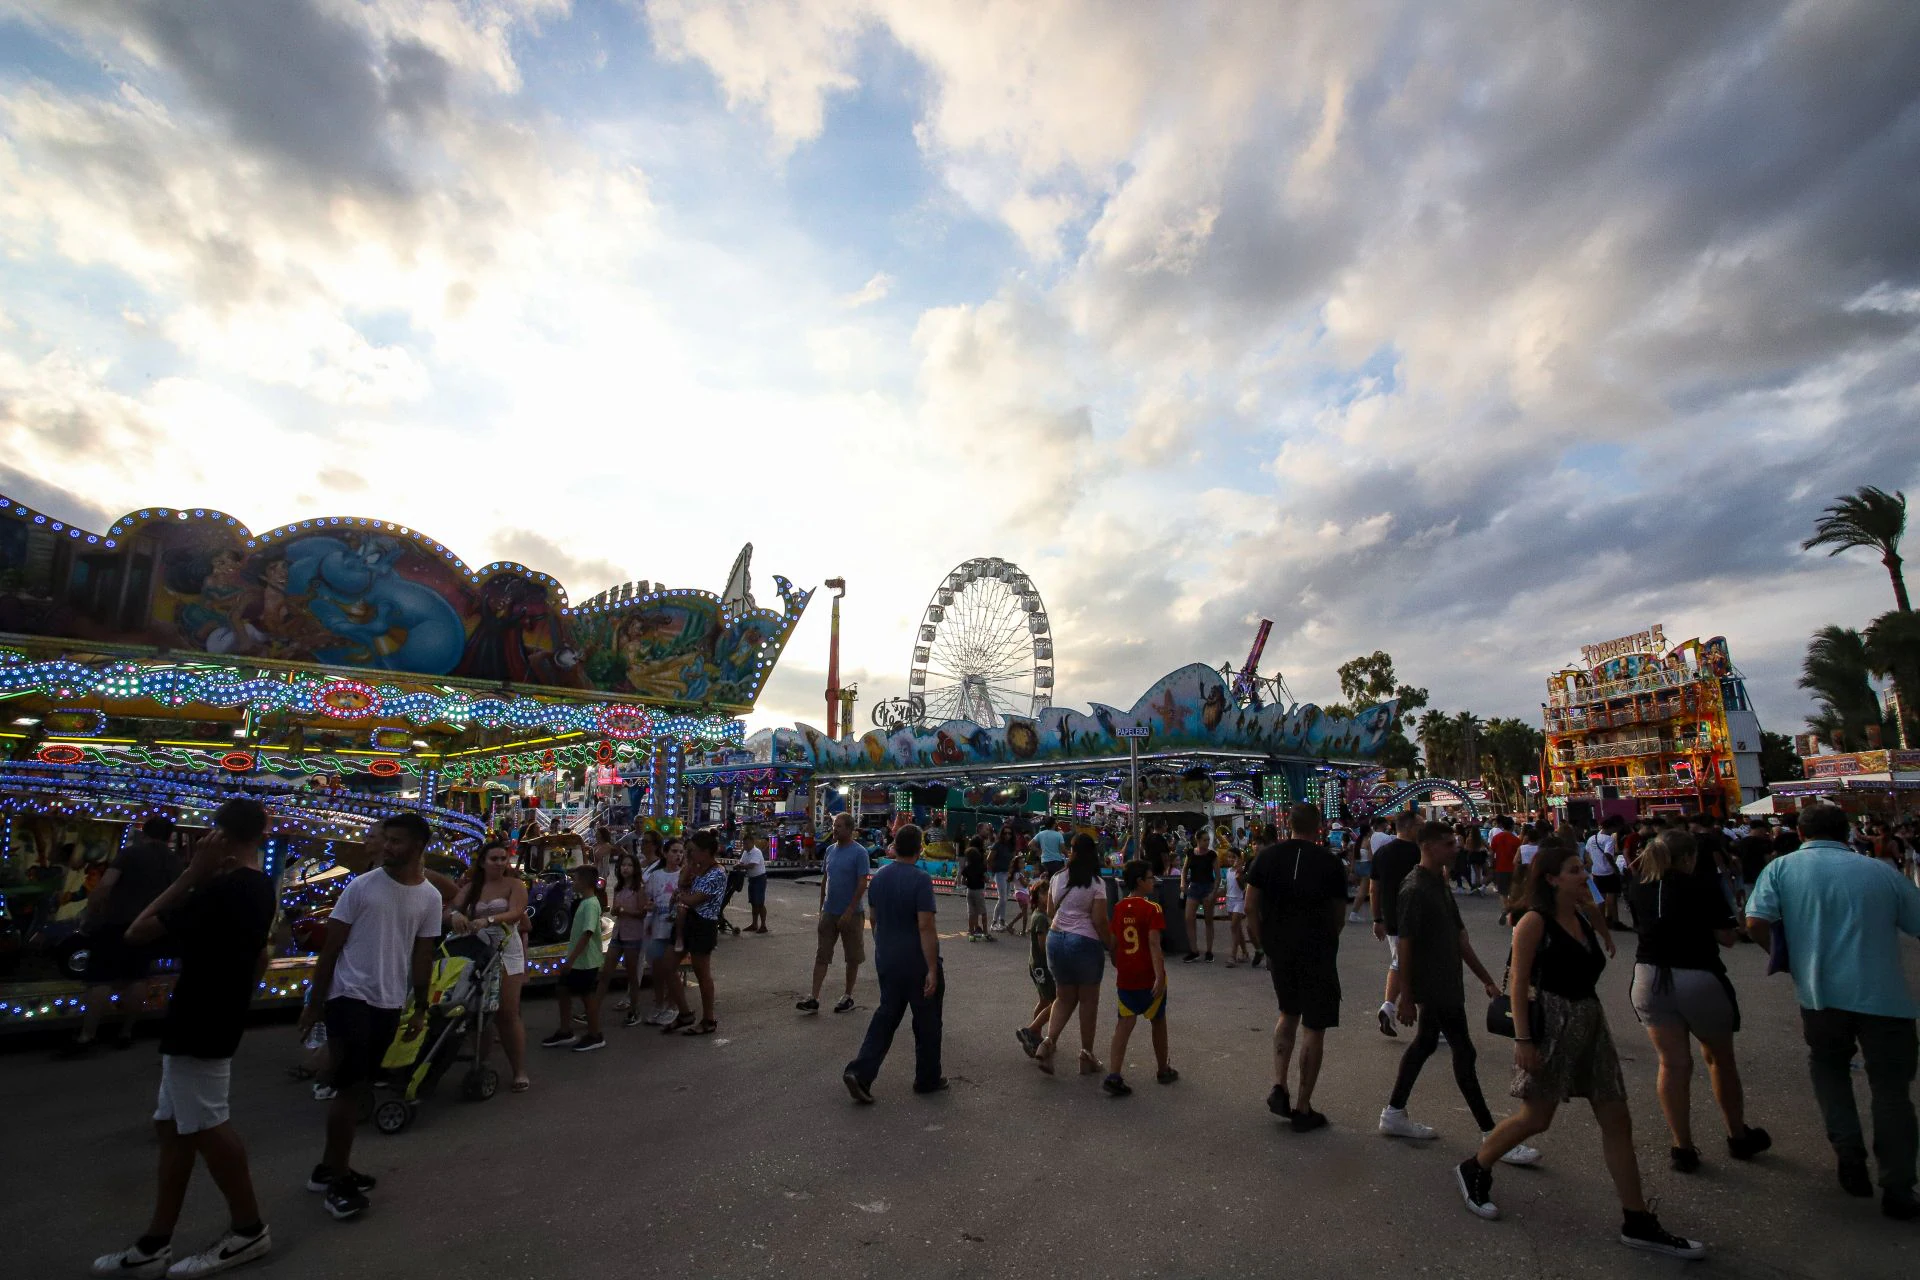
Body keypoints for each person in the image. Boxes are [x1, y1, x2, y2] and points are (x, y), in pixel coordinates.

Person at [1459, 840, 1704, 1258]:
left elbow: (1596, 929)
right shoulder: (1533, 922)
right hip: (1551, 1025)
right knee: (1537, 1117)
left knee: (1616, 1117)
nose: (1585, 875)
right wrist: (1523, 1039)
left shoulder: (1580, 915)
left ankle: (1637, 1218)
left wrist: (1603, 930)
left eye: (1583, 868)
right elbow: (1518, 983)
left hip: (1590, 1023)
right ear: (1551, 878)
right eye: (1575, 870)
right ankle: (1475, 1167)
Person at [89, 800, 275, 1280]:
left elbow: (138, 930)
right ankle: (156, 1241)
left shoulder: (222, 889)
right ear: (264, 831)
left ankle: (249, 1228)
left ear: (214, 837)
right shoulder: (257, 888)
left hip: (201, 1015)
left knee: (208, 1123)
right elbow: (260, 959)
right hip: (212, 1010)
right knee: (174, 1127)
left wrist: (191, 874)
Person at [1745, 800, 1920, 1220]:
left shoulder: (1782, 869)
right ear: (1847, 834)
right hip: (1885, 998)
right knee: (1892, 1092)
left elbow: (1754, 921)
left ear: (1801, 834)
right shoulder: (1880, 871)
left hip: (1819, 995)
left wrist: (1786, 960)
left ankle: (1848, 1150)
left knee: (1828, 1068)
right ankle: (1898, 1186)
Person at [299, 814, 442, 1222]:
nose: (387, 847)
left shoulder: (429, 897)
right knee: (351, 1087)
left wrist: (420, 1005)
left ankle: (329, 1167)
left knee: (358, 1085)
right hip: (350, 995)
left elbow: (423, 953)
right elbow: (331, 949)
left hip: (389, 1000)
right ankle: (337, 1183)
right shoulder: (361, 887)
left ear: (418, 847)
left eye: (397, 842)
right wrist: (316, 1002)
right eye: (387, 840)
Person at [1380, 822, 1541, 1167]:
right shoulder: (1414, 889)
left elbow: (1459, 938)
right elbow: (1404, 947)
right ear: (1428, 846)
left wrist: (1485, 979)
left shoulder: (1437, 881)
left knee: (1424, 1045)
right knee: (1463, 1053)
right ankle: (1492, 1135)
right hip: (1435, 987)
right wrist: (1405, 996)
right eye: (1448, 844)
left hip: (1447, 982)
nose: (1457, 848)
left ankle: (1394, 1112)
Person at [1624, 831, 1769, 1173]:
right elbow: (1727, 937)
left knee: (1671, 1064)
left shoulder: (1639, 886)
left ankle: (1683, 1146)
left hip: (1649, 977)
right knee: (1719, 1059)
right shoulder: (1700, 885)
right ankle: (1737, 1135)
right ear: (1688, 858)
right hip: (1697, 975)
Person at [1244, 804, 1348, 1132]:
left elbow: (1250, 905)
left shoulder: (1266, 858)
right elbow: (1338, 913)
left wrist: (1262, 943)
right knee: (1314, 1027)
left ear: (1288, 824)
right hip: (1317, 951)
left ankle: (1279, 1084)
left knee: (1288, 1012)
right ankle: (1303, 1107)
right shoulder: (1330, 863)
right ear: (1318, 827)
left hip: (1280, 950)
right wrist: (1328, 938)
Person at [62, 816, 181, 1057]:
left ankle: (87, 1036)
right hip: (149, 926)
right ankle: (126, 1032)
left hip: (116, 922)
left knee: (100, 978)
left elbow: (105, 886)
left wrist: (91, 914)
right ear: (169, 837)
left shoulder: (130, 854)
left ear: (144, 832)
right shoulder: (175, 861)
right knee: (137, 977)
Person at [843, 824, 944, 1101]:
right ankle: (927, 1078)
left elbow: (873, 919)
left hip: (888, 959)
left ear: (894, 846)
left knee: (886, 1016)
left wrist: (883, 947)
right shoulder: (921, 880)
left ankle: (861, 1072)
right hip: (916, 961)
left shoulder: (880, 877)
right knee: (927, 1021)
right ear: (920, 847)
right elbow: (925, 926)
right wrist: (932, 969)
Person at [449, 840, 530, 1092]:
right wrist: (456, 916)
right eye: (493, 858)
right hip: (477, 951)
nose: (498, 863)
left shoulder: (514, 885)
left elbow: (517, 912)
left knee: (507, 1012)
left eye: (502, 859)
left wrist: (489, 919)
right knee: (477, 1012)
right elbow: (450, 909)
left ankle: (518, 1070)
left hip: (506, 951)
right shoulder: (472, 888)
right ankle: (480, 1063)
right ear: (483, 861)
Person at [1034, 834, 1112, 1076]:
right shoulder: (1097, 883)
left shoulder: (1057, 877)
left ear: (1072, 852)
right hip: (1084, 942)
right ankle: (1086, 1055)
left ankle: (1048, 1043)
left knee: (1064, 997)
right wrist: (1111, 945)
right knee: (1088, 1001)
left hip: (1056, 940)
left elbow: (1049, 910)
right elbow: (1099, 920)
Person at [1104, 860, 1176, 1096]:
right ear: (1139, 881)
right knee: (1158, 1020)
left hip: (1126, 977)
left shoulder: (1119, 908)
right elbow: (1154, 944)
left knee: (1124, 1023)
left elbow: (1113, 944)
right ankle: (1163, 1069)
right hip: (1148, 976)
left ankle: (1114, 1074)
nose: (1153, 882)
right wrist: (1158, 976)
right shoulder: (1152, 909)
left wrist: (1118, 962)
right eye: (1150, 878)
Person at [800, 813, 869, 1015]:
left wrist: (849, 910)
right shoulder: (830, 850)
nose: (835, 829)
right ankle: (814, 997)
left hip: (852, 914)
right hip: (829, 912)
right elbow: (825, 879)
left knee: (852, 956)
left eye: (839, 826)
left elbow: (862, 883)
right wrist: (821, 907)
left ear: (849, 829)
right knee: (822, 954)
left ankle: (847, 996)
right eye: (834, 825)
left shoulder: (860, 853)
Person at [1369, 812, 1422, 1039]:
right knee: (1419, 966)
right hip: (1417, 917)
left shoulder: (1382, 853)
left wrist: (1377, 918)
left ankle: (1388, 1006)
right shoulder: (1419, 852)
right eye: (1420, 825)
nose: (1423, 828)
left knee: (1398, 962)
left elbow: (1374, 888)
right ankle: (1428, 1020)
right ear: (1410, 828)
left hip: (1391, 918)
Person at [541, 865, 605, 1051]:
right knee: (562, 989)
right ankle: (565, 1030)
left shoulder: (591, 904)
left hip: (586, 961)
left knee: (587, 997)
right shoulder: (585, 902)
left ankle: (595, 1034)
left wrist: (571, 960)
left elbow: (587, 933)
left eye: (575, 879)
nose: (573, 883)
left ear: (585, 882)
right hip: (578, 960)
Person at [672, 830, 727, 1035]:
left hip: (703, 924)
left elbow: (692, 899)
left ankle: (708, 1018)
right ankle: (685, 1012)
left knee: (702, 973)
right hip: (689, 922)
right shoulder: (695, 869)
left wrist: (681, 895)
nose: (690, 855)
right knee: (667, 966)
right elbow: (682, 888)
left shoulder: (716, 873)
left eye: (693, 851)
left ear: (705, 852)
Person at [643, 838, 690, 1028]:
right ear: (665, 853)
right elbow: (648, 899)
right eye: (674, 851)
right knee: (656, 969)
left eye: (681, 852)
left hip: (675, 931)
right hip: (657, 927)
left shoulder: (685, 876)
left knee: (671, 969)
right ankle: (659, 1003)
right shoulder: (655, 877)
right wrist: (649, 909)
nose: (678, 855)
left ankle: (673, 1005)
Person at [599, 853, 648, 1028]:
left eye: (629, 865)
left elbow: (643, 912)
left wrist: (626, 912)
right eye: (622, 865)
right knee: (605, 972)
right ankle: (593, 1008)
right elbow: (613, 910)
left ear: (635, 869)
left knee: (632, 975)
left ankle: (634, 1010)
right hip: (618, 935)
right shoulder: (618, 888)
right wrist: (616, 911)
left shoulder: (639, 888)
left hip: (633, 936)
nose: (625, 868)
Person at [1015, 876, 1055, 1056]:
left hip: (1037, 965)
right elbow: (1042, 944)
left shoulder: (1044, 915)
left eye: (1049, 893)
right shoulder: (1040, 918)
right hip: (1042, 966)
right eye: (1044, 893)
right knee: (1055, 1002)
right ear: (1036, 897)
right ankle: (1031, 1031)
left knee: (1044, 1000)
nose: (1047, 896)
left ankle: (1035, 1034)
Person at [1181, 828, 1219, 963]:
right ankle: (1194, 950)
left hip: (1207, 887)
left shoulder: (1212, 855)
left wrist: (1213, 892)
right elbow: (1184, 869)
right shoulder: (1191, 853)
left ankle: (1209, 950)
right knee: (1189, 918)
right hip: (1195, 886)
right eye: (1204, 840)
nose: (1207, 842)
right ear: (1197, 841)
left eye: (1208, 840)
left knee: (1208, 920)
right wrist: (1183, 883)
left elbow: (1217, 876)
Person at [1585, 817, 1627, 931]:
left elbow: (1587, 852)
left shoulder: (1591, 838)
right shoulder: (1609, 839)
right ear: (1612, 827)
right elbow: (1608, 854)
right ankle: (1615, 921)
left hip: (1596, 871)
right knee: (1612, 896)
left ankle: (1600, 922)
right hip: (1608, 871)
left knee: (1600, 898)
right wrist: (1615, 869)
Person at [737, 830, 770, 934]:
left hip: (759, 879)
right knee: (753, 902)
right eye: (744, 843)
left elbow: (752, 865)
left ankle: (763, 925)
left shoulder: (756, 852)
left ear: (752, 842)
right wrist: (738, 865)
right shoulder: (746, 852)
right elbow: (741, 862)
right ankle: (754, 924)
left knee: (760, 903)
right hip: (752, 879)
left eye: (746, 843)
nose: (745, 845)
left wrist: (740, 866)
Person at [1224, 848, 1250, 966]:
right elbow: (1227, 887)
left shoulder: (1241, 872)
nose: (1231, 859)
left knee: (1234, 927)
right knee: (1237, 929)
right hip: (1229, 900)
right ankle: (1245, 953)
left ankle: (1232, 956)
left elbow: (1242, 887)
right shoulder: (1228, 871)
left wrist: (1239, 876)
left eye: (1234, 857)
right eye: (1229, 857)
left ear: (1239, 859)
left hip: (1239, 901)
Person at [961, 838, 991, 941]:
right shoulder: (981, 867)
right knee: (983, 912)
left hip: (970, 891)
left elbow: (963, 881)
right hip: (979, 891)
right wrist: (985, 879)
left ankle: (971, 933)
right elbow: (987, 879)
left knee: (971, 913)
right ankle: (985, 932)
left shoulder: (967, 868)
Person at [989, 824, 1016, 931]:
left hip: (1008, 873)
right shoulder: (997, 845)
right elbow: (989, 858)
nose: (1007, 835)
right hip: (999, 872)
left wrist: (1012, 872)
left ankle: (1002, 921)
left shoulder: (1012, 846)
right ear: (1002, 834)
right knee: (1002, 898)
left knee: (1005, 898)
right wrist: (991, 871)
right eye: (1005, 833)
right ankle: (994, 922)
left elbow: (1013, 860)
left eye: (1009, 833)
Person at [1488, 815, 1521, 901]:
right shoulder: (1516, 840)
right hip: (1513, 869)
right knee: (1513, 891)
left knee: (1503, 893)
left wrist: (1491, 865)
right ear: (1512, 826)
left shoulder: (1496, 838)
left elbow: (1491, 853)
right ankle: (1511, 908)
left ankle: (1506, 908)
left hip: (1500, 868)